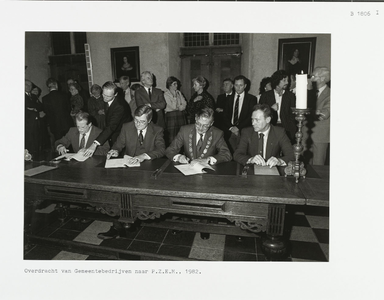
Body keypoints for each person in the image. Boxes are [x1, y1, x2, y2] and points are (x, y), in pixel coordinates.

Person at [98, 105, 166, 240]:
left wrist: (143, 156)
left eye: (142, 122)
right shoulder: (127, 126)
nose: (138, 124)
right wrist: (115, 150)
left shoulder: (157, 130)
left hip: (148, 169)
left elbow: (161, 149)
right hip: (129, 168)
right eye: (136, 120)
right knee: (118, 194)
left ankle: (137, 220)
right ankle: (117, 225)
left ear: (149, 120)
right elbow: (118, 144)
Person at [166, 106, 232, 165]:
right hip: (188, 169)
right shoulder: (184, 130)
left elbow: (227, 154)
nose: (200, 128)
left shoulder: (217, 134)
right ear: (195, 118)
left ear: (211, 123)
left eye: (205, 126)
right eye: (198, 123)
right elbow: (170, 150)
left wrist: (208, 160)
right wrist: (179, 157)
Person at [83, 81, 132, 156]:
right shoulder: (107, 98)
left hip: (123, 133)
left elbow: (111, 127)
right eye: (103, 94)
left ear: (115, 94)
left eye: (108, 96)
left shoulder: (120, 106)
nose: (104, 98)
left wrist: (94, 144)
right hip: (114, 131)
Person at [222, 75, 257, 153]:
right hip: (230, 131)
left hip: (244, 131)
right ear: (233, 85)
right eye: (236, 85)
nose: (238, 88)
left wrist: (238, 128)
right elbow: (225, 115)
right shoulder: (229, 98)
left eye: (241, 85)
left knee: (243, 154)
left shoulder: (251, 99)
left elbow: (250, 116)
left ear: (245, 86)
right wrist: (231, 127)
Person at [303, 67, 330, 165]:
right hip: (305, 135)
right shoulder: (308, 93)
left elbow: (324, 114)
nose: (311, 79)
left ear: (323, 78)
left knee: (318, 167)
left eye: (314, 76)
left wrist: (310, 112)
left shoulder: (330, 94)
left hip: (320, 137)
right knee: (304, 165)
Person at [259, 70, 296, 144]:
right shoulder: (265, 96)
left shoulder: (290, 96)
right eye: (284, 80)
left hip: (286, 129)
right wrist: (271, 109)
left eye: (288, 80)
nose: (287, 83)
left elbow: (293, 114)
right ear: (277, 81)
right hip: (270, 127)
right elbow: (260, 113)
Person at [42, 78, 73, 142]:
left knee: (59, 143)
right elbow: (69, 108)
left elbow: (46, 111)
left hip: (54, 125)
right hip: (66, 123)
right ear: (56, 85)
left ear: (48, 87)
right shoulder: (64, 95)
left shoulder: (45, 98)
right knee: (69, 142)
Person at [164, 76, 187, 145]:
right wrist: (174, 97)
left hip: (180, 115)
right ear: (169, 85)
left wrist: (181, 107)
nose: (176, 86)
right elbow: (172, 106)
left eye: (177, 84)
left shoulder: (179, 93)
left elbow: (184, 103)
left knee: (181, 135)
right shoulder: (166, 94)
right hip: (171, 117)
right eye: (174, 84)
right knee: (172, 137)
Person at [25, 79, 43, 159]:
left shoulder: (33, 96)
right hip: (27, 122)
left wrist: (32, 108)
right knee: (29, 140)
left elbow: (40, 106)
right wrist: (32, 108)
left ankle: (36, 156)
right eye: (27, 85)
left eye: (30, 85)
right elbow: (25, 107)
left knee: (36, 139)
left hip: (35, 121)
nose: (29, 87)